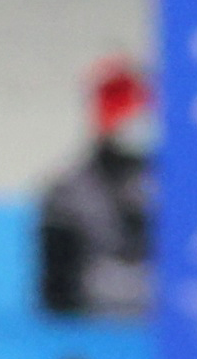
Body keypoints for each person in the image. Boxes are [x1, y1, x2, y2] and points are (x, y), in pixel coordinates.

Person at [34, 58, 157, 319]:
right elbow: (56, 293)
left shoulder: (182, 189)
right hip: (98, 327)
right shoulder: (66, 191)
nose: (133, 120)